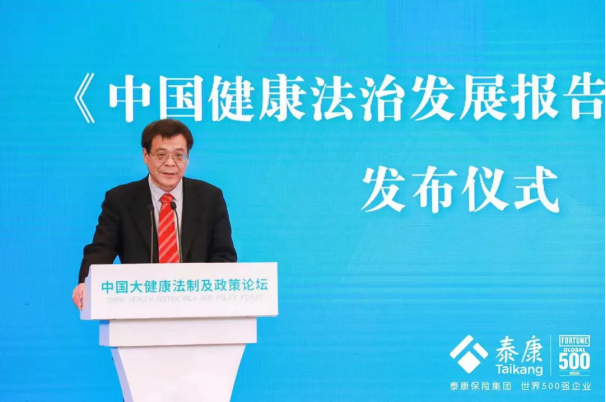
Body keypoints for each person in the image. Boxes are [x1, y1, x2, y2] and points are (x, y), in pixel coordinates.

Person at [72, 119, 237, 309]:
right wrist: (87, 282)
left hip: (197, 306)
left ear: (188, 158)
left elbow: (224, 256)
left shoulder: (209, 197)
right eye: (161, 155)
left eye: (179, 155)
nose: (170, 163)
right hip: (138, 305)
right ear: (145, 155)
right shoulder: (120, 199)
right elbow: (102, 249)